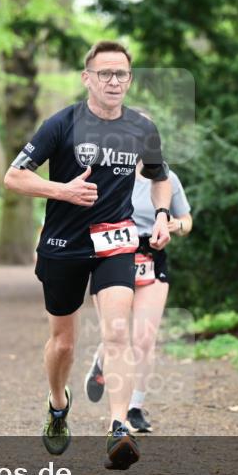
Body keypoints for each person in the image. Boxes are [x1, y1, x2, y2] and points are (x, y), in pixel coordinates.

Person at [3, 41, 172, 470]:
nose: (114, 81)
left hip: (115, 242)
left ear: (130, 80)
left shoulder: (141, 129)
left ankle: (119, 429)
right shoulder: (61, 124)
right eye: (105, 74)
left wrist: (164, 215)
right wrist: (62, 190)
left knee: (118, 332)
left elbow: (159, 178)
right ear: (87, 79)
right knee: (64, 344)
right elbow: (14, 177)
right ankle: (58, 404)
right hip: (64, 244)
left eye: (122, 74)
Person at [84, 162, 192, 434]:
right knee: (117, 334)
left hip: (151, 257)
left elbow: (187, 221)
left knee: (144, 338)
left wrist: (174, 224)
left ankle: (134, 408)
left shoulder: (166, 178)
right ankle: (102, 357)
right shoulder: (106, 174)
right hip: (112, 255)